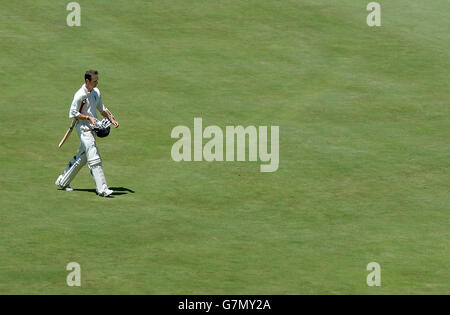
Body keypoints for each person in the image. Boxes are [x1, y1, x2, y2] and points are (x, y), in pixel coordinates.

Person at [55, 70, 119, 197]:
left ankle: (62, 181)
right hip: (83, 128)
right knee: (94, 157)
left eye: (97, 80)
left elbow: (102, 109)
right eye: (94, 81)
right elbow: (73, 113)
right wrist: (88, 118)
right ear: (87, 81)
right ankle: (102, 189)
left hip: (93, 128)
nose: (97, 82)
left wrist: (112, 119)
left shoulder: (96, 92)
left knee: (82, 157)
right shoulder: (79, 95)